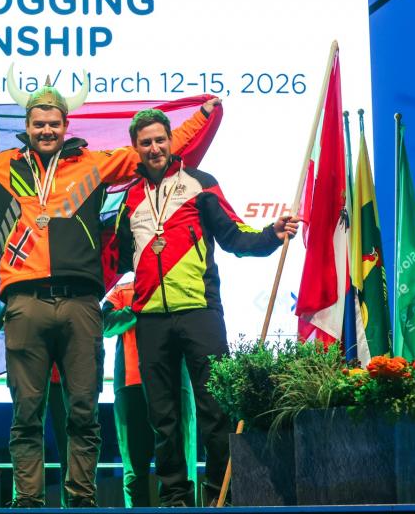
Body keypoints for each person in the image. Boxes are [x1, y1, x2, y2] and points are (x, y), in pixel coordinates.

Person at [0, 76, 217, 507]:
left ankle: (80, 501)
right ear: (27, 125)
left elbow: (153, 150)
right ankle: (28, 501)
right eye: (39, 123)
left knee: (83, 411)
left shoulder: (94, 164)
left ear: (65, 126)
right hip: (25, 304)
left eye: (54, 124)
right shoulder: (2, 166)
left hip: (81, 304)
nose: (46, 130)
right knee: (26, 412)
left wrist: (202, 117)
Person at [118, 108, 299, 507]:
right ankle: (174, 497)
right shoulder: (129, 197)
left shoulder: (200, 184)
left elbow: (234, 235)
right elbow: (114, 256)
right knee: (163, 416)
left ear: (171, 141)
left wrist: (270, 235)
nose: (154, 148)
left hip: (199, 311)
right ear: (136, 148)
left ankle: (221, 494)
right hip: (149, 318)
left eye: (160, 140)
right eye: (146, 142)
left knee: (215, 410)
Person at [101, 273, 156, 507]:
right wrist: (137, 308)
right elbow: (104, 324)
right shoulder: (121, 289)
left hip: (166, 381)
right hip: (130, 383)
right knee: (134, 465)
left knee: (175, 460)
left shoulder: (168, 284)